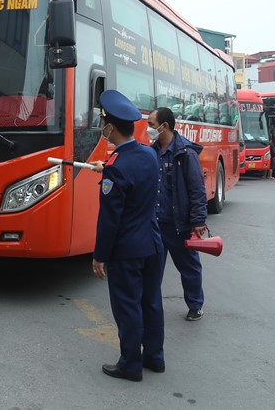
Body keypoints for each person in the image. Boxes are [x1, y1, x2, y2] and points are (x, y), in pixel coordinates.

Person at [92, 90, 164, 382]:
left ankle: (130, 364)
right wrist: (107, 167)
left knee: (127, 306)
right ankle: (154, 357)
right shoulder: (148, 154)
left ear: (110, 127)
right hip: (153, 243)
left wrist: (99, 256)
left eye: (103, 123)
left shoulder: (116, 168)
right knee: (151, 302)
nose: (103, 128)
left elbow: (110, 220)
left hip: (128, 249)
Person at [147, 107, 208, 323]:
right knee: (152, 270)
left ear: (164, 126)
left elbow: (197, 189)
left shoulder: (186, 154)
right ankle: (151, 308)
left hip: (178, 224)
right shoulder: (151, 152)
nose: (148, 129)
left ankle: (195, 305)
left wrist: (198, 220)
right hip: (155, 223)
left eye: (151, 125)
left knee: (189, 267)